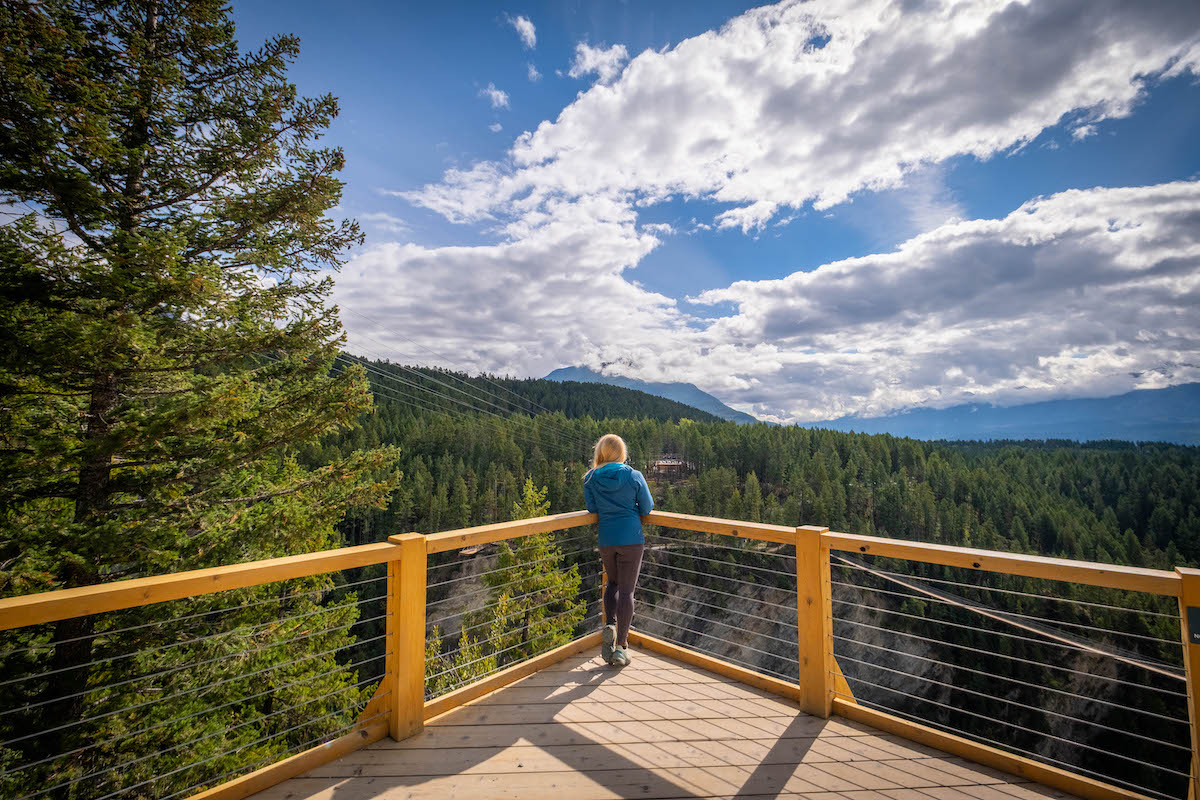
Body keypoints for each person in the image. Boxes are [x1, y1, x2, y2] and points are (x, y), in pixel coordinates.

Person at [584, 433, 653, 666]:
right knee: (627, 592)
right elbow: (647, 506)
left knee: (612, 584)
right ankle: (622, 647)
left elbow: (592, 507)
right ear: (622, 453)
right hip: (631, 539)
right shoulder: (634, 476)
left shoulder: (591, 478)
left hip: (607, 539)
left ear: (601, 453)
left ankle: (610, 625)